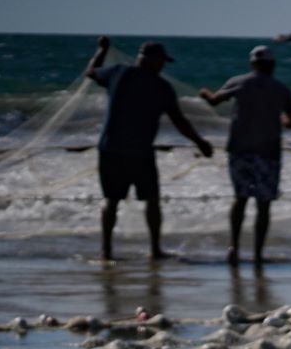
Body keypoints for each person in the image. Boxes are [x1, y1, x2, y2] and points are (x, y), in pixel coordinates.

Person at [85, 37, 213, 261]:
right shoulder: (161, 87)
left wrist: (102, 50)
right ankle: (154, 250)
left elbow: (92, 71)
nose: (163, 65)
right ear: (150, 60)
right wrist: (200, 142)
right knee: (151, 200)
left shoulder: (117, 73)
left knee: (112, 200)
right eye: (161, 61)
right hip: (139, 153)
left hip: (110, 149)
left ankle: (107, 251)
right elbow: (179, 121)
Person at [199, 46, 291, 268]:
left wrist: (204, 93)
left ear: (252, 64)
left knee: (240, 199)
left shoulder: (239, 82)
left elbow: (215, 100)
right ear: (272, 66)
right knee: (263, 204)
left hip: (239, 150)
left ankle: (233, 248)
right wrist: (278, 120)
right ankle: (257, 254)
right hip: (268, 152)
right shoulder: (281, 89)